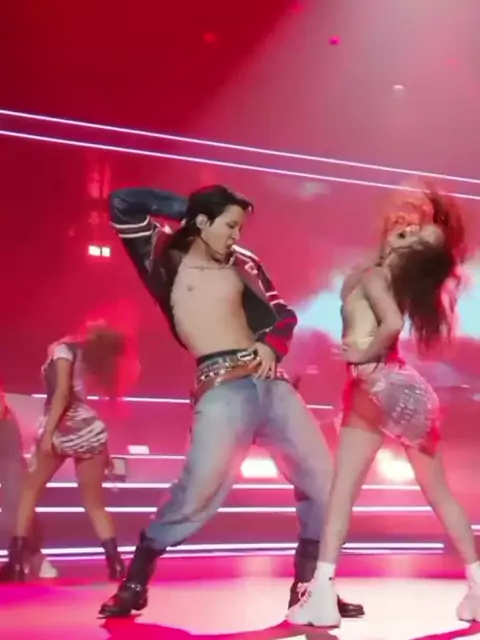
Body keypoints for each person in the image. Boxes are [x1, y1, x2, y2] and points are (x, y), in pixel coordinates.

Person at [98, 184, 364, 619]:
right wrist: (190, 210)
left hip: (273, 384)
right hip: (221, 389)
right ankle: (136, 581)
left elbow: (283, 315)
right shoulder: (163, 256)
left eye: (240, 227)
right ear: (202, 223)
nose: (236, 235)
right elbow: (122, 203)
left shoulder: (244, 262)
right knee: (198, 488)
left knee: (325, 484)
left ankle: (310, 588)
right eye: (229, 225)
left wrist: (271, 346)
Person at [288, 184, 480, 626]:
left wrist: (363, 351)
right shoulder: (377, 274)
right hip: (388, 388)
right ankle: (476, 582)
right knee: (429, 491)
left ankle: (322, 590)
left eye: (411, 230)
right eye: (401, 223)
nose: (401, 226)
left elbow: (390, 324)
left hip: (380, 383)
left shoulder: (377, 277)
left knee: (346, 492)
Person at [1, 324, 126, 582]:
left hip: (63, 428)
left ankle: (16, 562)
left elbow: (61, 394)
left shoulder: (63, 350)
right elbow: (80, 400)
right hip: (89, 430)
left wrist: (48, 433)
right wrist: (104, 450)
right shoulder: (84, 356)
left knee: (28, 491)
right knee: (94, 503)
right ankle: (116, 564)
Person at [0, 391, 58, 580]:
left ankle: (30, 555)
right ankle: (25, 556)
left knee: (14, 496)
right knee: (14, 497)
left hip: (4, 427)